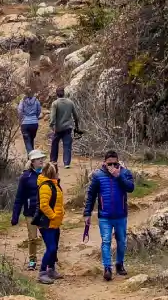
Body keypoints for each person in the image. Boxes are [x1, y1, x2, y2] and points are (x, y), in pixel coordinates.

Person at [83, 149, 135, 281]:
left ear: (118, 163)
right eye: (109, 164)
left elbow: (131, 188)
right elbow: (91, 195)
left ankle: (119, 264)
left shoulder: (125, 173)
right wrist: (87, 213)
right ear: (104, 163)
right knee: (106, 241)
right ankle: (107, 268)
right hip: (105, 216)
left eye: (115, 164)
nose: (112, 167)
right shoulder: (98, 175)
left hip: (120, 215)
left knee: (121, 242)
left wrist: (119, 176)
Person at [10, 149, 46, 271]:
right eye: (38, 159)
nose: (41, 160)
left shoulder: (46, 174)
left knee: (47, 236)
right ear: (32, 162)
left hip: (44, 211)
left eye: (42, 158)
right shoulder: (25, 177)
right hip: (30, 211)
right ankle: (32, 260)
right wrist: (15, 215)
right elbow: (19, 197)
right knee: (32, 237)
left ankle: (50, 259)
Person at [36, 161, 65, 285]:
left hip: (55, 223)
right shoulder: (45, 186)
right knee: (51, 247)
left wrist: (60, 214)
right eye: (57, 172)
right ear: (53, 174)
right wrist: (53, 216)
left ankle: (51, 269)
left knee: (55, 247)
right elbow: (44, 205)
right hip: (47, 223)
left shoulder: (54, 185)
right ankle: (42, 272)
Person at [49, 87, 81, 168]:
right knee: (67, 145)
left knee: (54, 143)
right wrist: (77, 126)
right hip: (68, 127)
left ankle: (53, 160)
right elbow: (76, 116)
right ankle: (66, 163)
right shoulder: (70, 102)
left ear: (56, 94)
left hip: (58, 128)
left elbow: (52, 117)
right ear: (64, 93)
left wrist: (52, 126)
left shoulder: (55, 103)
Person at [17, 89, 42, 155]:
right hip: (34, 123)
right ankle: (32, 160)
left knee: (27, 141)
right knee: (31, 140)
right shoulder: (36, 100)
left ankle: (32, 158)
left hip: (25, 123)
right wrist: (35, 117)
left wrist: (20, 120)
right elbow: (39, 110)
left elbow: (19, 110)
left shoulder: (22, 101)